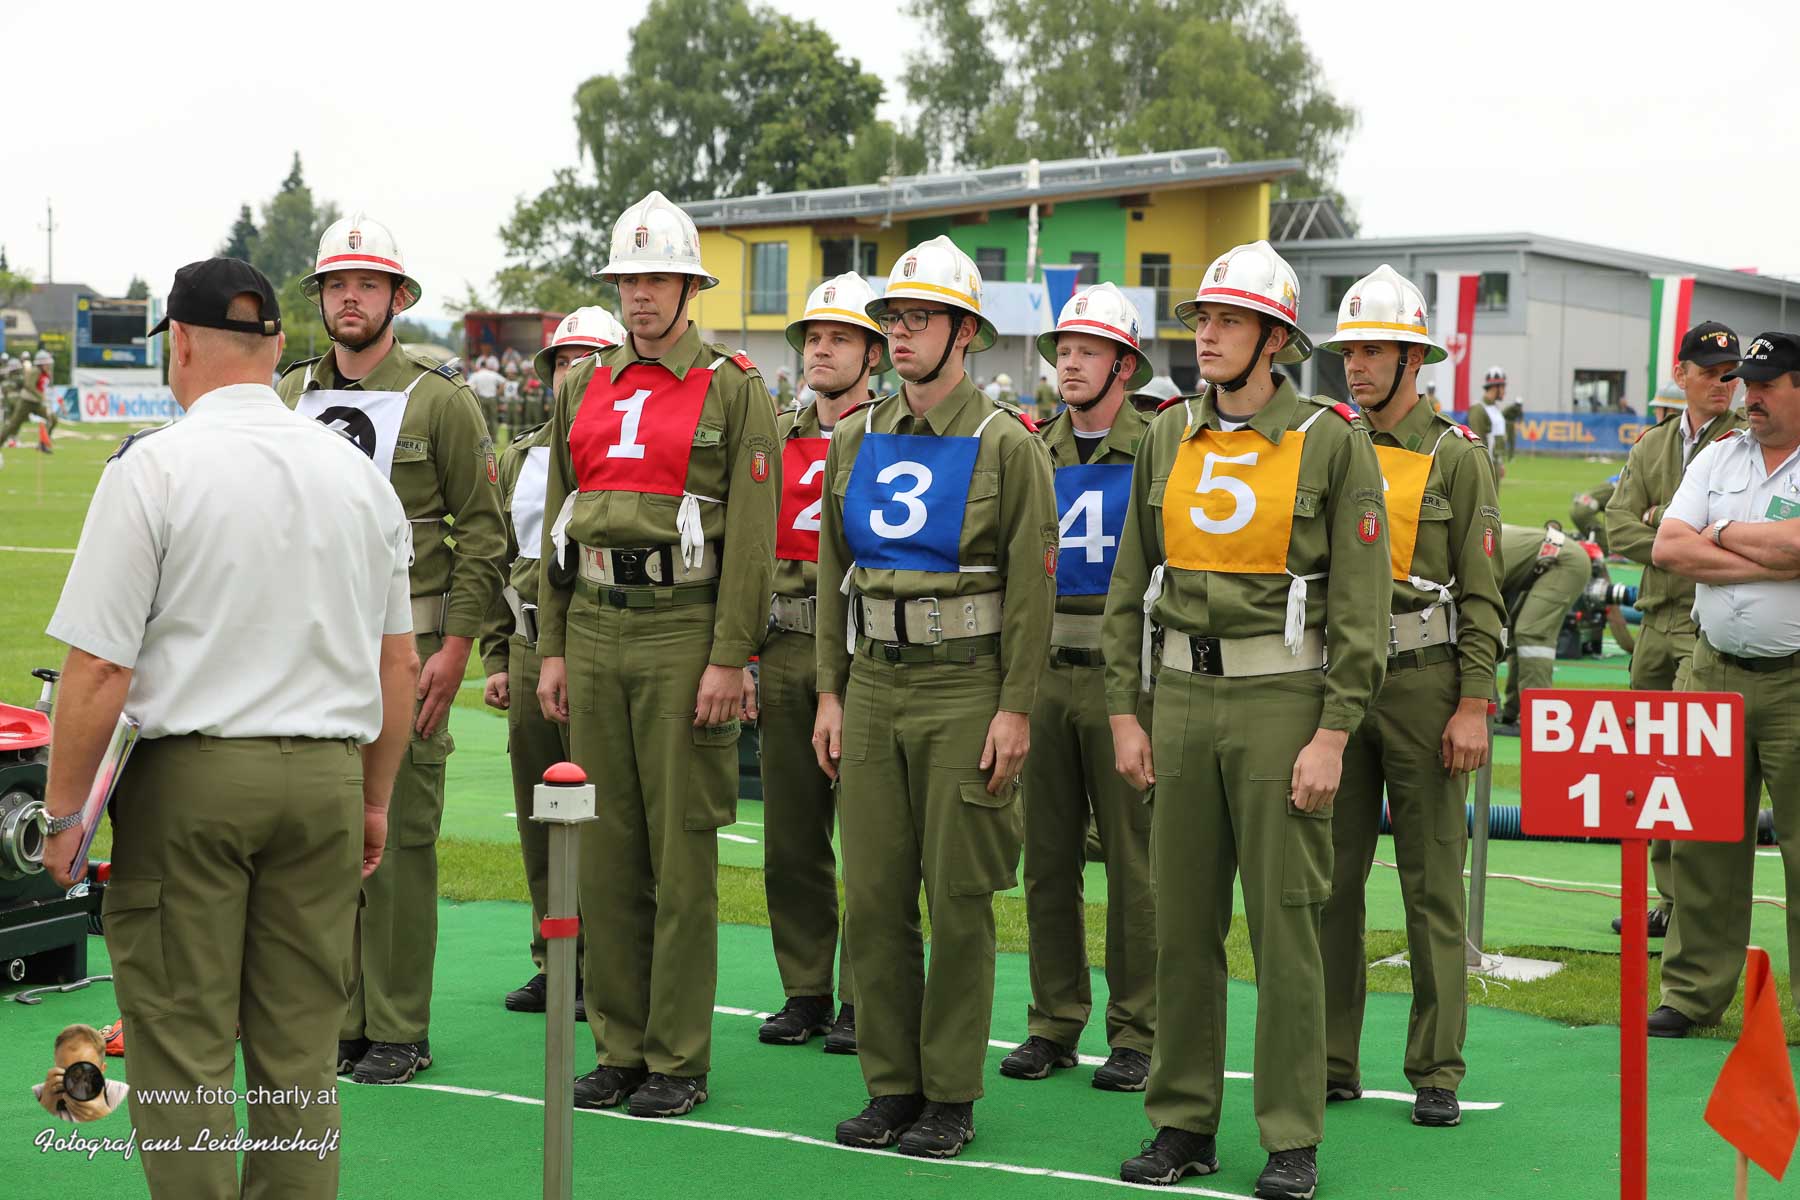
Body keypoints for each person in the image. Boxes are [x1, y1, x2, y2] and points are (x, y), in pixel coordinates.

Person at [41, 257, 418, 1198]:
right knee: (300, 1057)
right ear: (278, 344)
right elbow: (398, 664)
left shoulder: (155, 466)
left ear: (178, 342)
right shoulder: (356, 474)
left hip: (194, 783)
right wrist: (374, 800)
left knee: (183, 1051)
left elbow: (98, 668)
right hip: (327, 781)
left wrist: (64, 816)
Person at [1102, 240, 1390, 1199]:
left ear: (1275, 340)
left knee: (1285, 932)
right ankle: (1182, 1123)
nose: (1207, 336)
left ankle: (1291, 1137)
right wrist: (1125, 714)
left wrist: (1333, 732)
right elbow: (1129, 584)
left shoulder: (1330, 439)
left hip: (1283, 704)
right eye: (1202, 320)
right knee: (1180, 927)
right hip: (1180, 700)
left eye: (1229, 321)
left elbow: (1363, 609)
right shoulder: (1166, 435)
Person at [535, 190, 779, 1118]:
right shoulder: (580, 386)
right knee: (603, 853)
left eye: (657, 278)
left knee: (681, 857)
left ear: (689, 287)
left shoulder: (733, 387)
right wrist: (552, 646)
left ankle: (677, 1059)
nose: (640, 295)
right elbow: (555, 527)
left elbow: (751, 539)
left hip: (685, 628)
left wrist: (730, 656)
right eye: (629, 279)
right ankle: (619, 1048)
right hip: (594, 621)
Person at [813, 235, 1055, 1158]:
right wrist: (830, 693)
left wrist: (1015, 708)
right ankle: (892, 1087)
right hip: (873, 682)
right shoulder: (854, 436)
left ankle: (950, 1094)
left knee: (958, 901)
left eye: (922, 318)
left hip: (967, 687)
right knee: (873, 897)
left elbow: (1031, 592)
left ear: (966, 334)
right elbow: (834, 571)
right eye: (895, 318)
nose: (902, 333)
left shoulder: (1008, 444)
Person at [277, 213, 506, 1085]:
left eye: (367, 284)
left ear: (398, 298)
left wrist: (459, 645)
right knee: (321, 834)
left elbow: (483, 533)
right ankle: (341, 1018)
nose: (350, 298)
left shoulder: (441, 398)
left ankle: (400, 1027)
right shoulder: (289, 393)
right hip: (309, 645)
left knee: (402, 838)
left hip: (410, 639)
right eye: (337, 284)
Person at [1311, 266, 1504, 1130]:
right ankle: (1329, 1059)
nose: (1355, 367)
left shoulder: (1457, 455)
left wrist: (1474, 702)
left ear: (1413, 359)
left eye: (1373, 352)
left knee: (1432, 888)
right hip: (1335, 685)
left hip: (1426, 684)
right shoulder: (1325, 441)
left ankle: (1435, 1069)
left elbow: (1482, 593)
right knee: (1329, 883)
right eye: (1348, 352)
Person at [1002, 282, 1156, 1093]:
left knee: (1136, 863)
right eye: (1063, 350)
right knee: (1047, 859)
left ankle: (1137, 1030)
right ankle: (1053, 1022)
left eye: (1087, 351)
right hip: (1044, 673)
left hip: (1127, 679)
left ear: (1124, 366)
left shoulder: (1162, 444)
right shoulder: (1030, 446)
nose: (1068, 363)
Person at [1647, 330, 1800, 1038]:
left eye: (1768, 384)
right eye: (1748, 383)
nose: (1751, 396)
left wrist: (1719, 532)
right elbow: (1668, 547)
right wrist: (1764, 552)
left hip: (1793, 678)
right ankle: (1692, 993)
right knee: (1702, 842)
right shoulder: (1718, 454)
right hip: (1711, 673)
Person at [751, 273, 888, 1053]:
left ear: (874, 354)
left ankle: (865, 996)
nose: (821, 350)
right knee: (791, 835)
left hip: (864, 651)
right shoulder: (775, 433)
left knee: (870, 838)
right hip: (783, 644)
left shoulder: (895, 433)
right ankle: (805, 987)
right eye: (812, 337)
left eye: (839, 338)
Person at [483, 306, 625, 1017]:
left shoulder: (627, 453)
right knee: (541, 813)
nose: (576, 373)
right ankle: (555, 957)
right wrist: (496, 654)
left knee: (603, 813)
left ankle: (606, 963)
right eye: (565, 361)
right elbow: (496, 558)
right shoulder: (521, 456)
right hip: (529, 641)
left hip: (597, 642)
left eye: (591, 359)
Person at [1606, 325, 1746, 938]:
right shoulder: (1654, 444)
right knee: (1648, 763)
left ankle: (1692, 906)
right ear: (1681, 374)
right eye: (1711, 371)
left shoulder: (1744, 444)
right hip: (1653, 624)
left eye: (1731, 373)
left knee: (1691, 763)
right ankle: (1667, 900)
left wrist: (1666, 526)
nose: (1724, 382)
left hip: (1701, 623)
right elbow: (1617, 528)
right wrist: (1684, 539)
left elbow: (1735, 527)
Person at [1492, 523, 1590, 735]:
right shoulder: (1472, 539)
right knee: (1515, 636)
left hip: (1562, 563)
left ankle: (1536, 721)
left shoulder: (1465, 558)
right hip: (1547, 562)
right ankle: (1512, 713)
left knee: (1531, 635)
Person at [35, 1024, 130, 1123]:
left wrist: (103, 1113)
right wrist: (46, 1104)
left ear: (102, 1069)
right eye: (67, 1070)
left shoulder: (118, 1092)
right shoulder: (46, 1092)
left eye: (87, 1070)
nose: (79, 1079)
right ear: (56, 1067)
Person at [1467, 368, 1507, 480]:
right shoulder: (1478, 409)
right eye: (1503, 387)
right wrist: (1483, 469)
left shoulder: (1495, 409)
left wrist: (1500, 463)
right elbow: (1477, 443)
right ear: (1495, 387)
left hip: (1494, 464)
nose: (1504, 391)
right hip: (1485, 467)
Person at [1568, 474, 1619, 552]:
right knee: (1607, 546)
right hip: (1583, 511)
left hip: (1576, 507)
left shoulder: (1612, 482)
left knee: (1595, 539)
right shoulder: (1625, 487)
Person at [468, 357, 504, 437]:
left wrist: (476, 393)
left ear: (480, 366)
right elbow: (503, 382)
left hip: (481, 398)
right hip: (492, 398)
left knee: (483, 419)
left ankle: (485, 437)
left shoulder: (476, 375)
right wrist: (498, 393)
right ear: (486, 366)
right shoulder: (492, 374)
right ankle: (494, 437)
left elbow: (469, 386)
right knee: (493, 419)